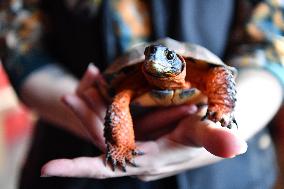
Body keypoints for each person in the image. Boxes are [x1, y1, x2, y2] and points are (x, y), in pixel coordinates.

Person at [0, 0, 283, 188]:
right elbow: (20, 41)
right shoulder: (132, 83)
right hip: (77, 155)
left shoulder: (202, 73)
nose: (156, 61)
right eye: (151, 57)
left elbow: (271, 43)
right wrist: (105, 131)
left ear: (180, 63)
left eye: (167, 58)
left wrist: (226, 112)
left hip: (227, 177)